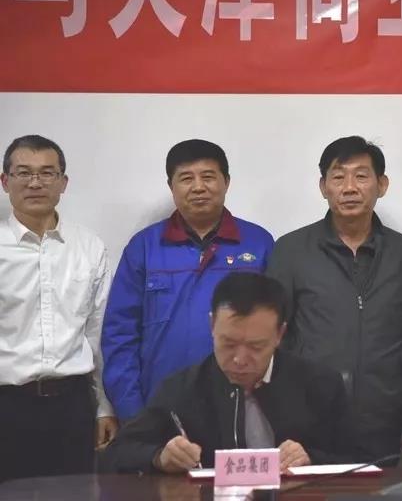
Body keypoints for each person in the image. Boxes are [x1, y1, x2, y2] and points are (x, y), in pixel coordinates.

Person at [266, 136, 402, 462]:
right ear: (323, 187)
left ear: (382, 185)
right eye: (338, 177)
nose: (349, 188)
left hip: (385, 421)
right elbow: (274, 336)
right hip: (309, 419)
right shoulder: (291, 250)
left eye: (361, 176)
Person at [101, 272, 349, 473]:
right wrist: (159, 457)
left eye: (256, 347)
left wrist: (311, 458)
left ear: (280, 335)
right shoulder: (182, 388)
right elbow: (118, 452)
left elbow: (357, 456)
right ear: (212, 325)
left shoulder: (319, 383)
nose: (239, 360)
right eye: (228, 343)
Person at [102, 139, 274, 421]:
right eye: (186, 178)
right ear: (171, 186)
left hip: (243, 407)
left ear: (226, 182)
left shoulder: (259, 244)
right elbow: (120, 335)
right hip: (160, 407)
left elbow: (278, 332)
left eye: (208, 177)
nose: (198, 187)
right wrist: (133, 414)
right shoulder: (144, 247)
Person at [0, 135, 117, 481]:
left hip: (72, 406)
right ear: (5, 181)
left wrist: (104, 408)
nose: (35, 182)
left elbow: (99, 332)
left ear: (63, 183)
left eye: (47, 173)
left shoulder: (89, 247)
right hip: (7, 404)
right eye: (24, 172)